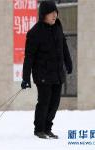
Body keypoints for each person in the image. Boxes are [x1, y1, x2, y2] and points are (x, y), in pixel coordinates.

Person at [21, 1, 72, 139]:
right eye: (52, 12)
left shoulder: (58, 27)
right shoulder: (35, 32)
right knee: (44, 101)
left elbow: (64, 47)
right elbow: (29, 57)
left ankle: (48, 128)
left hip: (57, 73)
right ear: (44, 14)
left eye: (56, 12)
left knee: (54, 103)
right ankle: (39, 129)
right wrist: (26, 78)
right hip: (42, 74)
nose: (55, 15)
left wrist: (68, 63)